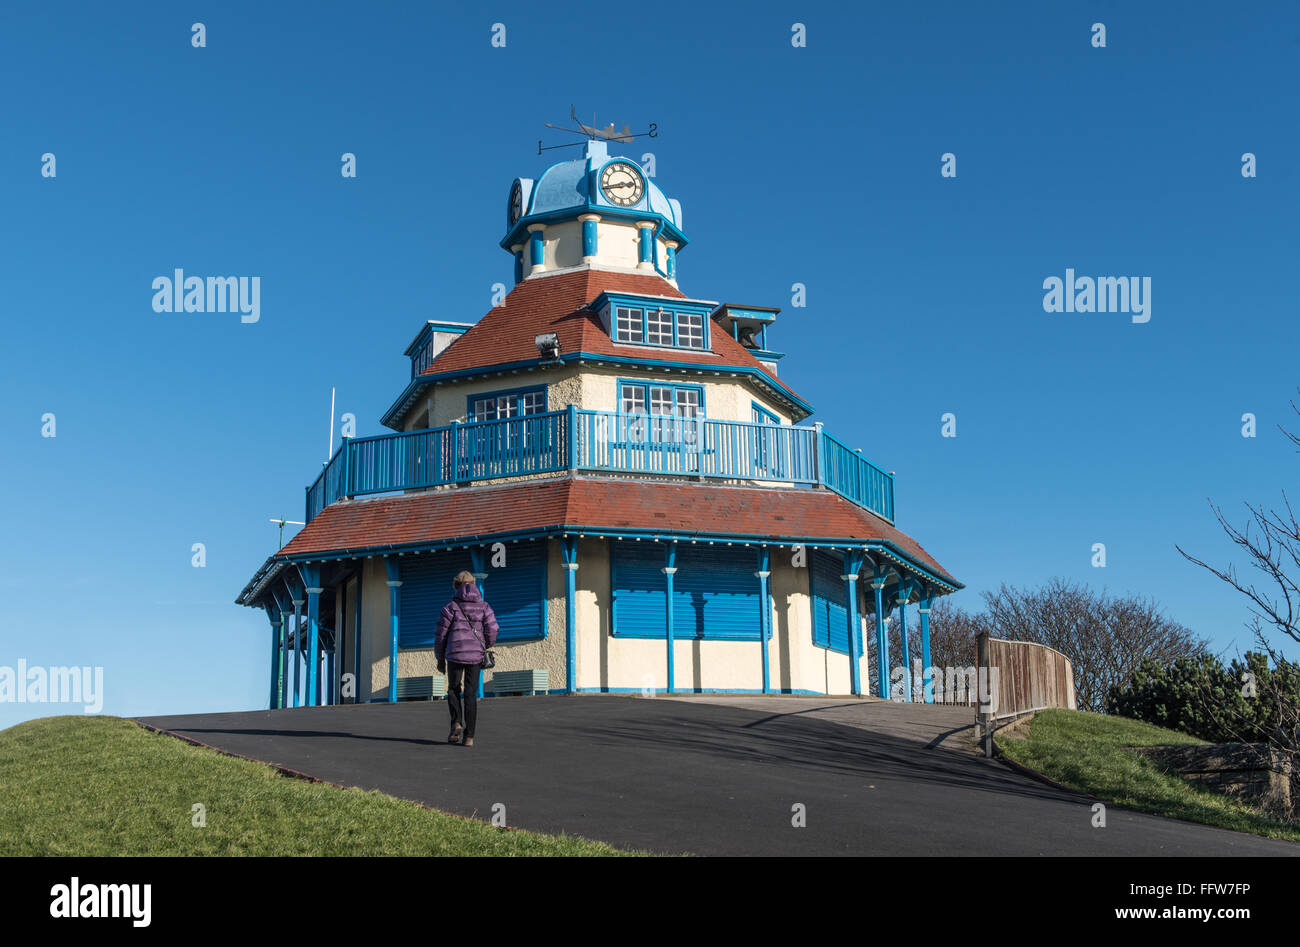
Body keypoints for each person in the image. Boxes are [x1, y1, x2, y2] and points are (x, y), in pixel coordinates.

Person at [434, 570, 499, 747]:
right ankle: (469, 737)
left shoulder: (450, 607)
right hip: (475, 655)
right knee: (470, 693)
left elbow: (440, 635)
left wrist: (440, 659)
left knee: (454, 689)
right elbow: (493, 629)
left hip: (454, 653)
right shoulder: (484, 606)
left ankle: (456, 722)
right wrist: (486, 645)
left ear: (457, 586)